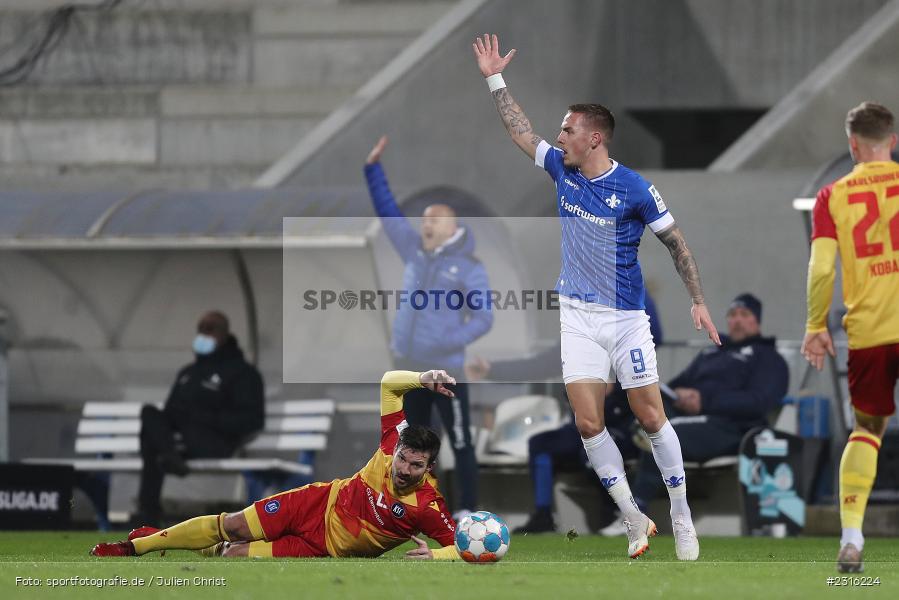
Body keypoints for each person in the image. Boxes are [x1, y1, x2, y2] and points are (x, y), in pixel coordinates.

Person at [473, 34, 720, 560]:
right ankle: (633, 518)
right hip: (578, 316)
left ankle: (680, 515)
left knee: (651, 417)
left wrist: (697, 300)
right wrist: (495, 78)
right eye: (561, 129)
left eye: (568, 129)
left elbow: (676, 243)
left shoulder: (634, 188)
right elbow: (520, 132)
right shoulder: (561, 169)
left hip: (626, 319)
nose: (558, 135)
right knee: (589, 423)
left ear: (595, 139)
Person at [91, 370, 460, 560]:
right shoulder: (392, 438)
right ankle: (133, 548)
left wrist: (436, 555)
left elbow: (460, 547)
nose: (403, 469)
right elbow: (387, 384)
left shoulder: (428, 506)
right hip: (318, 503)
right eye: (401, 459)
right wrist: (421, 378)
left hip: (324, 549)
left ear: (428, 468)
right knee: (234, 526)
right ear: (396, 450)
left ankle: (182, 541)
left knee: (233, 553)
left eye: (415, 465)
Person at [365, 136, 493, 519]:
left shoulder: (469, 267)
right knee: (410, 443)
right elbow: (389, 216)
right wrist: (373, 171)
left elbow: (484, 316)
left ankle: (467, 509)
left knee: (461, 440)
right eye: (423, 219)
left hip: (448, 369)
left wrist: (446, 341)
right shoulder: (414, 252)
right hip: (412, 368)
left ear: (452, 227)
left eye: (433, 219)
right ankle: (409, 507)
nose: (425, 224)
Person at [466, 292, 663, 534]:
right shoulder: (574, 340)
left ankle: (617, 511)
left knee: (594, 450)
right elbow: (539, 364)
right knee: (541, 444)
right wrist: (492, 370)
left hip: (621, 425)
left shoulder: (624, 336)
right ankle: (544, 515)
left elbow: (655, 336)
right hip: (583, 425)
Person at [802, 102, 899, 574]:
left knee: (867, 430)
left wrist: (815, 325)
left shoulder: (831, 197)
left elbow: (822, 268)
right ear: (893, 141)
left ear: (852, 145)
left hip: (870, 334)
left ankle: (853, 541)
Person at [623, 293, 788, 521]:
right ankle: (617, 490)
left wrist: (704, 401)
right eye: (732, 315)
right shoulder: (713, 352)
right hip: (689, 417)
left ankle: (636, 511)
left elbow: (758, 402)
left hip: (731, 427)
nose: (737, 320)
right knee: (642, 404)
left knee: (662, 433)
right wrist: (679, 394)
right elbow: (676, 385)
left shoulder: (768, 358)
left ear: (756, 321)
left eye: (744, 314)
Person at [136, 311, 265, 526]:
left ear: (225, 334)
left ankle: (148, 511)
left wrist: (206, 418)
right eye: (201, 328)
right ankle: (168, 461)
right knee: (149, 414)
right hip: (179, 443)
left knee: (155, 445)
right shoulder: (188, 373)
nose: (204, 333)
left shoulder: (242, 373)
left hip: (215, 441)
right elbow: (170, 413)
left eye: (210, 328)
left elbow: (252, 420)